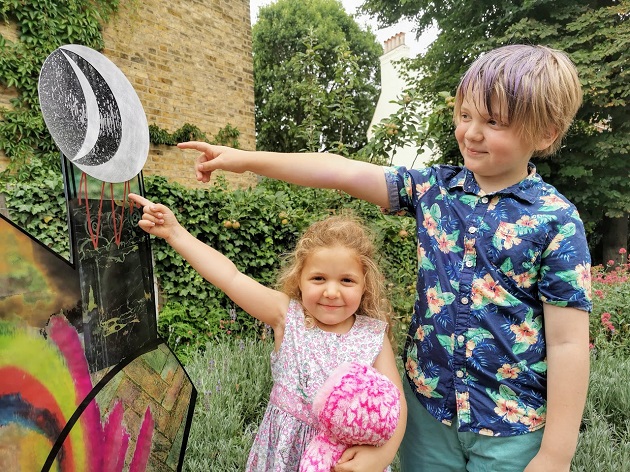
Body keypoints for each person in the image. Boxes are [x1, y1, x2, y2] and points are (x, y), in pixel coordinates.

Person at [177, 43, 593, 471]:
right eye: (465, 115)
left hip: (514, 428)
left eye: (494, 121)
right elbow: (339, 171)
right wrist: (243, 160)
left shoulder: (556, 220)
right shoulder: (433, 189)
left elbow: (568, 342)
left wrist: (556, 455)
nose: (471, 132)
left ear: (544, 133)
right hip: (427, 416)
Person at [126, 194, 407, 472]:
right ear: (299, 280)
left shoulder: (372, 335)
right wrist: (176, 234)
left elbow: (397, 405)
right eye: (318, 278)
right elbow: (230, 277)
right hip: (282, 456)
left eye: (347, 280)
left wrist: (380, 457)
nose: (331, 292)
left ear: (364, 286)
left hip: (345, 462)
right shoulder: (288, 315)